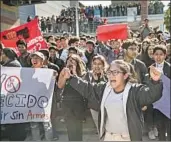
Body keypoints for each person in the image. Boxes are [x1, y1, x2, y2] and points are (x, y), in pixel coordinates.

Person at [58, 59, 163, 141]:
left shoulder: (134, 91)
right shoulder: (105, 88)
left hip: (128, 138)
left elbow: (151, 95)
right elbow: (87, 88)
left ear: (125, 75)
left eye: (115, 72)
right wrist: (71, 78)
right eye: (109, 72)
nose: (111, 75)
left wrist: (155, 82)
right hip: (108, 137)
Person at [57, 54, 86, 141]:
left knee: (78, 127)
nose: (70, 63)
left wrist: (75, 73)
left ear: (77, 63)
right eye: (69, 61)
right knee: (70, 128)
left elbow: (82, 87)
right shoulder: (63, 72)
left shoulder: (83, 73)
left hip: (78, 102)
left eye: (73, 61)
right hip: (67, 102)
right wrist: (64, 77)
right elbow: (60, 86)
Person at [29, 51, 53, 141]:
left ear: (42, 61)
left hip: (44, 103)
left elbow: (50, 87)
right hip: (32, 103)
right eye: (33, 58)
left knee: (46, 125)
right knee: (34, 126)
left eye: (37, 58)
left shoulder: (48, 72)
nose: (34, 60)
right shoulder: (27, 72)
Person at [83, 55, 108, 133]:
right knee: (99, 128)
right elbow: (87, 90)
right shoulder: (88, 75)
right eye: (95, 63)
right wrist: (95, 81)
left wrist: (101, 78)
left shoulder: (108, 74)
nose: (97, 66)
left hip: (107, 105)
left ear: (103, 65)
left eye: (99, 64)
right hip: (94, 105)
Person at [152, 45, 171, 141]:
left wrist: (162, 77)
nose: (158, 57)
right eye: (156, 54)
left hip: (168, 103)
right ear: (153, 55)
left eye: (161, 54)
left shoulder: (169, 68)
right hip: (157, 104)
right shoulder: (150, 68)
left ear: (165, 55)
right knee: (160, 129)